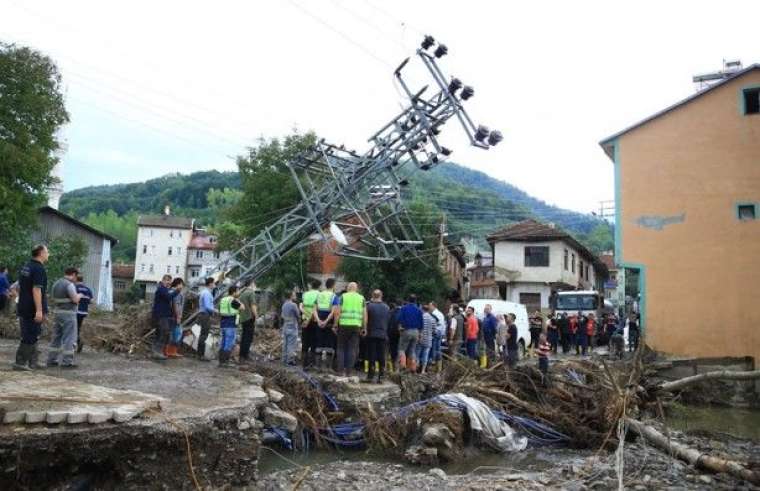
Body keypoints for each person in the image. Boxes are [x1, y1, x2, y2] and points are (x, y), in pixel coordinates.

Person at [13, 245, 49, 371]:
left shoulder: (26, 266)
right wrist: (39, 310)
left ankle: (33, 361)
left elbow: (19, 286)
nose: (48, 254)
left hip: (23, 304)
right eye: (47, 251)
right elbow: (37, 289)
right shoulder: (39, 269)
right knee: (30, 334)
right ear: (41, 253)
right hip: (32, 307)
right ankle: (20, 362)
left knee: (34, 333)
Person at [46, 267, 84, 368]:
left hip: (57, 313)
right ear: (74, 275)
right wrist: (79, 295)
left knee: (56, 337)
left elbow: (52, 298)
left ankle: (51, 359)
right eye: (77, 276)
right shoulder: (69, 284)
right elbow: (75, 299)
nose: (76, 279)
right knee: (69, 338)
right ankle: (67, 362)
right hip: (69, 314)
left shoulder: (56, 283)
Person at [335, 282, 366, 376]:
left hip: (343, 325)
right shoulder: (362, 298)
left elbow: (337, 312)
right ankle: (349, 372)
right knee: (352, 349)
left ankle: (340, 371)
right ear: (356, 289)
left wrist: (335, 325)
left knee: (341, 348)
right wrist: (364, 327)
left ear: (348, 288)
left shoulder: (343, 297)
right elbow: (364, 315)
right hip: (356, 326)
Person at [364, 289, 390, 383]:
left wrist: (365, 330)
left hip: (371, 333)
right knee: (381, 355)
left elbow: (366, 320)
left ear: (372, 295)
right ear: (381, 295)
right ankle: (381, 376)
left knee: (372, 355)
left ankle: (370, 376)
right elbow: (388, 321)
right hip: (383, 334)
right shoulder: (387, 307)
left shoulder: (369, 306)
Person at [151, 274, 179, 360]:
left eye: (170, 282)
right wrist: (177, 291)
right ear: (163, 280)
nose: (168, 283)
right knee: (164, 332)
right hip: (160, 315)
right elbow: (168, 297)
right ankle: (157, 352)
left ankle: (157, 352)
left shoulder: (166, 289)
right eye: (167, 281)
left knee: (161, 333)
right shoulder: (161, 289)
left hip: (164, 315)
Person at [396, 294, 423, 372]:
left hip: (406, 330)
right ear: (415, 301)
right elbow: (421, 324)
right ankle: (413, 367)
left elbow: (399, 319)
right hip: (416, 331)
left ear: (408, 300)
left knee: (401, 349)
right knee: (412, 350)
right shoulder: (419, 310)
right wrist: (420, 334)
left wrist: (400, 327)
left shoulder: (404, 308)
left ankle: (402, 366)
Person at [315, 278, 337, 370]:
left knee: (319, 344)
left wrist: (319, 320)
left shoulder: (319, 295)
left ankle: (318, 367)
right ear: (333, 286)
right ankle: (328, 368)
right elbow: (333, 312)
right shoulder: (334, 296)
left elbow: (314, 310)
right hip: (328, 323)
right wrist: (326, 321)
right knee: (329, 345)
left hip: (319, 322)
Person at [218, 285, 243, 368]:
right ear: (234, 292)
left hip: (223, 323)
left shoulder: (223, 299)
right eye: (238, 291)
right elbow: (242, 308)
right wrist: (238, 300)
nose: (239, 293)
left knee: (223, 342)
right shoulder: (233, 300)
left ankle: (221, 361)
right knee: (228, 343)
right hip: (231, 324)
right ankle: (225, 362)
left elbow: (219, 309)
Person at [300, 279, 321, 369]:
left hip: (304, 320)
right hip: (313, 321)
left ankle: (304, 363)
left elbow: (303, 306)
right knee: (314, 342)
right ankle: (312, 363)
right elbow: (315, 309)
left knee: (305, 342)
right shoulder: (319, 295)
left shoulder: (305, 294)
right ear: (319, 286)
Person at [196, 277, 217, 361]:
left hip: (203, 314)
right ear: (210, 283)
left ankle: (200, 354)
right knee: (204, 334)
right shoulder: (207, 293)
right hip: (205, 314)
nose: (214, 285)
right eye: (214, 283)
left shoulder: (205, 292)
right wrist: (216, 310)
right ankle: (200, 355)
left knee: (203, 334)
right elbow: (208, 306)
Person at [237, 279, 257, 363]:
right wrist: (256, 315)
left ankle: (242, 356)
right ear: (251, 284)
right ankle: (244, 356)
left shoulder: (242, 293)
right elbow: (253, 306)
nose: (255, 285)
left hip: (243, 318)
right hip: (249, 318)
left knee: (244, 337)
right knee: (248, 338)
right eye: (254, 284)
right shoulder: (251, 293)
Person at [166, 278, 185, 359]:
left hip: (169, 315)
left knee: (172, 333)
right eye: (182, 284)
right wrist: (178, 317)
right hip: (175, 316)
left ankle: (170, 352)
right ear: (178, 284)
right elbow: (176, 306)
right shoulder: (176, 293)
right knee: (176, 333)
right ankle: (171, 352)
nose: (182, 286)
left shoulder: (170, 291)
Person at [74, 275, 93, 353]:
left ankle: (77, 341)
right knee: (78, 327)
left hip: (75, 311)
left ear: (76, 280)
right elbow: (90, 301)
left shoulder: (75, 288)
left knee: (72, 328)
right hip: (84, 312)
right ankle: (78, 341)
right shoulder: (88, 289)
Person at [281, 290, 300, 365]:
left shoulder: (284, 305)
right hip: (292, 326)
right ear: (291, 296)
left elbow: (282, 316)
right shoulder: (293, 305)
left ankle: (284, 359)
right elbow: (298, 315)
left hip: (285, 326)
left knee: (285, 344)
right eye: (294, 294)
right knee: (291, 344)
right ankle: (290, 360)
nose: (295, 296)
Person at [417, 304, 436, 374]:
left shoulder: (421, 317)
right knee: (425, 356)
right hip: (428, 340)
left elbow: (418, 328)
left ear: (422, 310)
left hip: (420, 339)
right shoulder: (432, 319)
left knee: (417, 355)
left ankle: (416, 369)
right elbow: (434, 331)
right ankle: (423, 371)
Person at [428, 301, 446, 372]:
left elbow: (434, 324)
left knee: (434, 349)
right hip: (440, 333)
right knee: (438, 349)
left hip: (435, 333)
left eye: (430, 305)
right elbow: (443, 325)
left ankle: (434, 365)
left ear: (433, 306)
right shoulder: (440, 313)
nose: (429, 307)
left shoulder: (434, 314)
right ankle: (439, 367)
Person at [386, 301, 400, 372]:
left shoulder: (390, 312)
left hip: (390, 334)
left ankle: (387, 368)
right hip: (398, 334)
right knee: (396, 351)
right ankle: (395, 368)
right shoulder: (401, 312)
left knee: (388, 350)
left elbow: (387, 322)